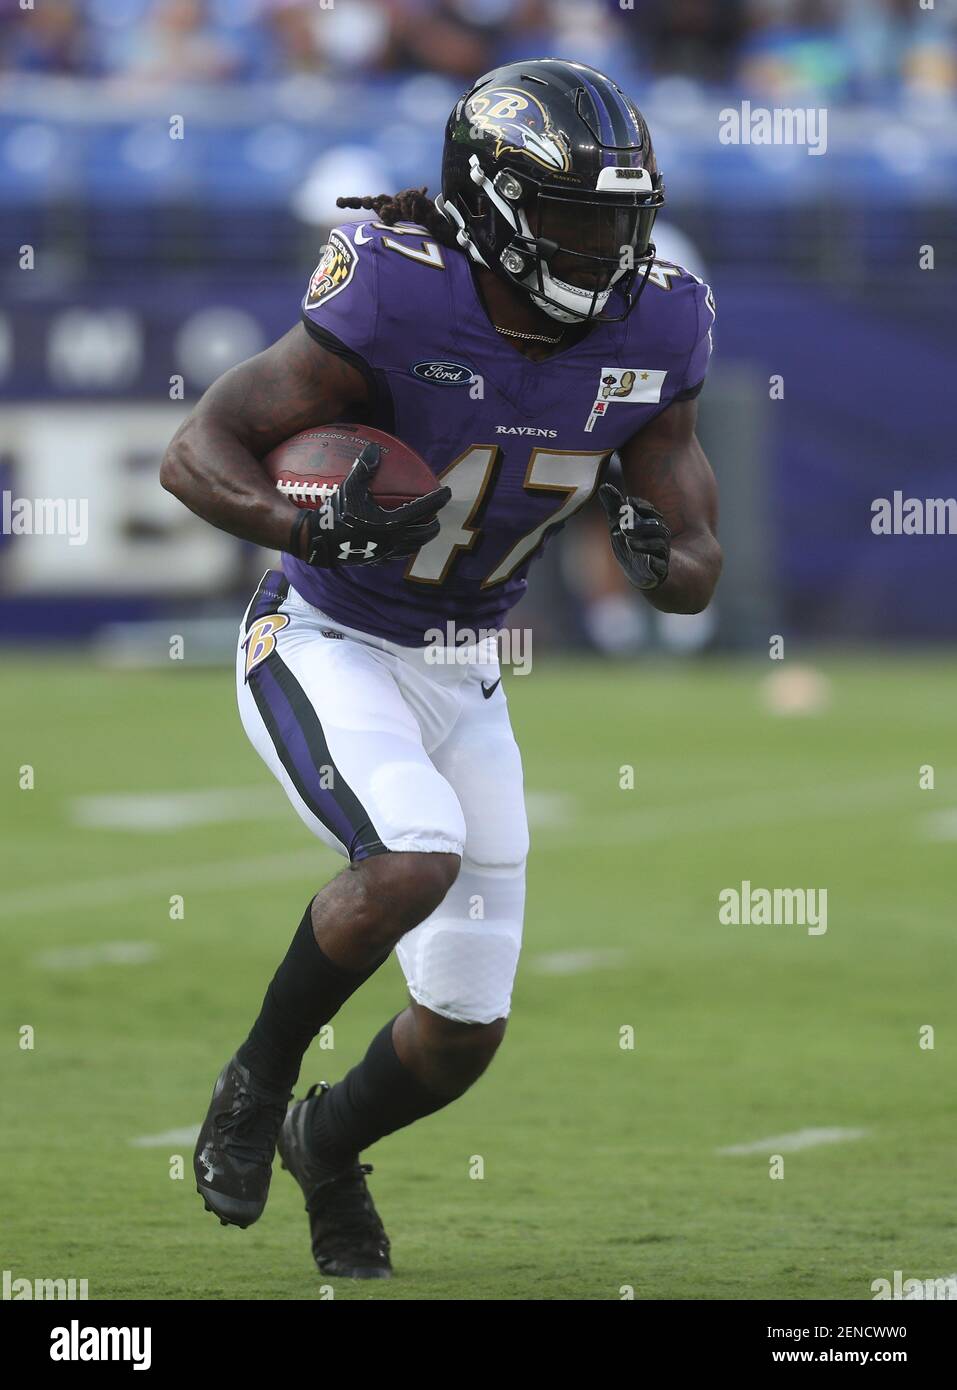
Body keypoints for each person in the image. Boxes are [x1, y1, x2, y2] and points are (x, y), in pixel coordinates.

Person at [160, 57, 721, 1281]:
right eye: (574, 215)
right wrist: (308, 528)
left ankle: (326, 1141)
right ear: (496, 205)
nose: (603, 244)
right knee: (410, 858)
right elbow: (194, 450)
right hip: (323, 633)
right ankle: (256, 1083)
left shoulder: (661, 318)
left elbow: (697, 558)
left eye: (620, 218)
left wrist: (659, 555)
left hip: (466, 667)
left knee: (463, 1030)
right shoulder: (399, 298)